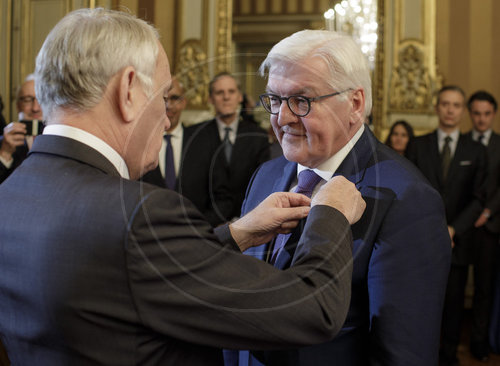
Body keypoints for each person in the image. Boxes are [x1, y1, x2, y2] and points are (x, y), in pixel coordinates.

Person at [0, 8, 368, 365]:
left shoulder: (11, 195)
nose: (166, 118)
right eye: (162, 96)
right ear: (128, 90)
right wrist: (330, 215)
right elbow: (312, 311)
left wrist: (235, 234)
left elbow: (122, 275)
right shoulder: (141, 216)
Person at [228, 29, 451, 366]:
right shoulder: (267, 176)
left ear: (355, 104)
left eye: (301, 101)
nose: (282, 118)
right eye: (274, 99)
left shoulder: (407, 199)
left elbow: (402, 353)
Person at [408, 85, 488, 366]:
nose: (450, 110)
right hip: (421, 240)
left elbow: (479, 198)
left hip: (458, 241)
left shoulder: (476, 151)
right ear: (436, 107)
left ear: (462, 110)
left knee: (454, 304)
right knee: (421, 303)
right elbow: (409, 193)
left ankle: (449, 356)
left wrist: (454, 229)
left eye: (456, 105)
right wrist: (430, 228)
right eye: (445, 104)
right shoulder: (418, 146)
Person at [141, 77, 233, 226]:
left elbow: (223, 200)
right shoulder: (140, 145)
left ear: (184, 102)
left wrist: (198, 229)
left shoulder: (206, 143)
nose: (168, 105)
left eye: (175, 98)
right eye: (163, 98)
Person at [192, 72, 270, 220]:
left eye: (231, 91)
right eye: (220, 92)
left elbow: (261, 184)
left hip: (249, 219)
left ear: (240, 97)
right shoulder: (196, 136)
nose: (226, 97)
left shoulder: (257, 136)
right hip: (207, 223)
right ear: (210, 99)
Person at [464, 90, 500, 361]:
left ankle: (479, 342)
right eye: (476, 113)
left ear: (493, 114)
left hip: (491, 227)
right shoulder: (462, 142)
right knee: (455, 286)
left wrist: (487, 211)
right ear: (470, 113)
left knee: (484, 289)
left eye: (486, 114)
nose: (481, 119)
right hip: (462, 226)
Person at [0, 74, 43, 183]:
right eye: (28, 100)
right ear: (18, 106)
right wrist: (5, 153)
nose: (35, 108)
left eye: (41, 99)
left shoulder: (60, 140)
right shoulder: (4, 142)